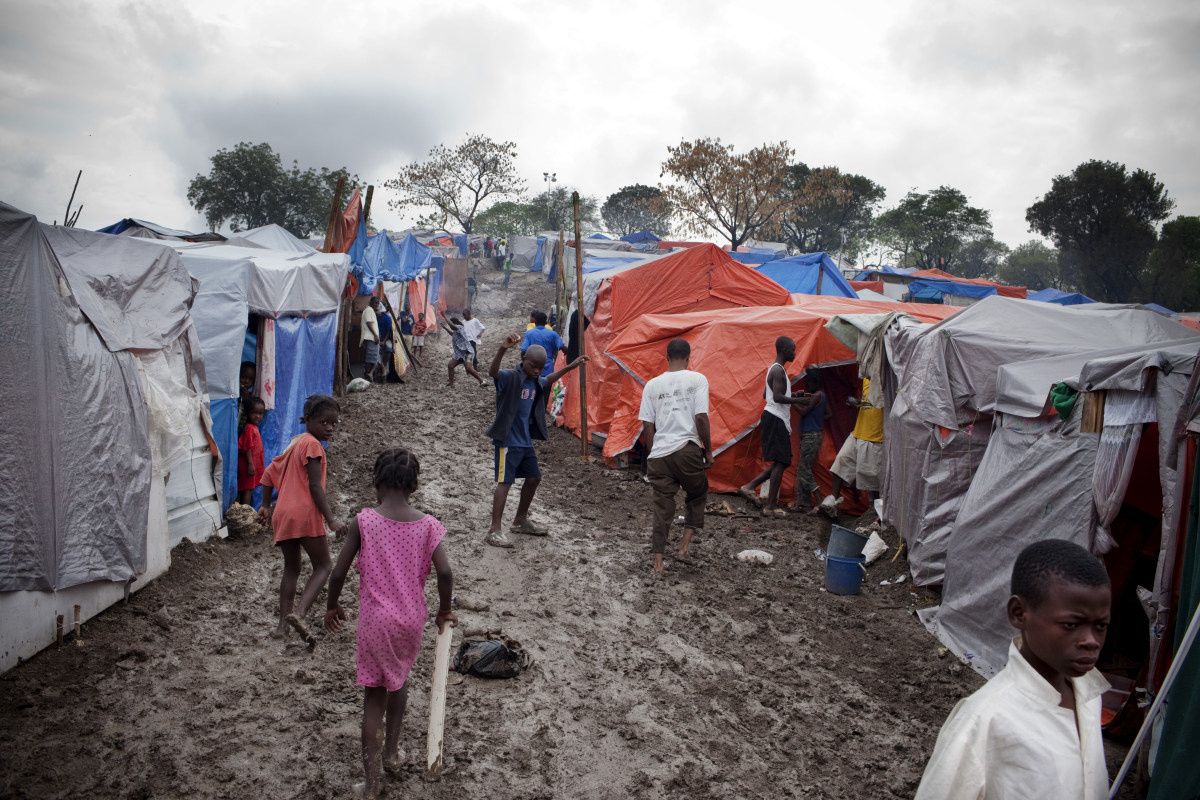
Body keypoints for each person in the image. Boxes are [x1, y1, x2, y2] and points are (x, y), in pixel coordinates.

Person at [915, 539, 1111, 800]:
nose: (1091, 641)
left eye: (1101, 626)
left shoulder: (1089, 695)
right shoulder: (985, 720)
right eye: (1071, 625)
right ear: (1019, 613)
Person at [325, 448, 456, 800]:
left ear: (377, 482)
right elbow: (445, 572)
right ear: (413, 485)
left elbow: (337, 574)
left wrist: (332, 606)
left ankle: (370, 786)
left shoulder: (363, 521)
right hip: (411, 621)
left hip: (375, 621)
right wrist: (444, 611)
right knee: (399, 680)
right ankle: (393, 753)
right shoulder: (428, 525)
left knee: (373, 697)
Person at [484, 333, 587, 548]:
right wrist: (502, 349)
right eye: (533, 366)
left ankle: (520, 521)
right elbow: (493, 372)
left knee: (534, 478)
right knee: (505, 482)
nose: (537, 370)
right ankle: (494, 530)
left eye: (540, 367)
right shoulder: (511, 377)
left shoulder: (535, 381)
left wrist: (572, 366)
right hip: (507, 441)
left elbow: (548, 379)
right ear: (523, 359)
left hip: (525, 442)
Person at [258, 395, 341, 646]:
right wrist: (331, 520)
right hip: (305, 513)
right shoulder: (313, 446)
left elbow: (268, 473)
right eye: (324, 422)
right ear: (309, 420)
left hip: (282, 513)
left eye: (334, 423)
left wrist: (264, 505)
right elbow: (315, 486)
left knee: (291, 569)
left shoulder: (293, 444)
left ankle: (283, 626)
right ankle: (300, 613)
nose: (329, 427)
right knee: (324, 565)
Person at [638, 338, 712, 575]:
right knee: (697, 493)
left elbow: (648, 426)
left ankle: (658, 563)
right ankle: (683, 547)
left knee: (662, 507)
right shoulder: (698, 379)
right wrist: (707, 450)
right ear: (689, 358)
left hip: (660, 454)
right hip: (687, 449)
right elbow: (701, 418)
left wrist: (651, 456)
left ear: (666, 357)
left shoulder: (651, 385)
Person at [737, 336, 814, 516]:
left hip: (774, 417)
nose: (795, 353)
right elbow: (777, 397)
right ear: (784, 350)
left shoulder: (775, 370)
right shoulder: (778, 371)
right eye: (793, 349)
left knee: (782, 461)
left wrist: (792, 393)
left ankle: (750, 486)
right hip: (776, 417)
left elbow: (767, 394)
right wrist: (798, 399)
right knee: (782, 461)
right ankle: (770, 506)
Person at [819, 377, 883, 518]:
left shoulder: (887, 379)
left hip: (875, 435)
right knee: (841, 462)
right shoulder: (866, 378)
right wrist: (856, 403)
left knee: (873, 478)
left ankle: (876, 513)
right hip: (859, 432)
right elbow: (867, 401)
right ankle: (832, 501)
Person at [791, 371, 828, 513]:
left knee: (803, 468)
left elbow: (804, 412)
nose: (806, 386)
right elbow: (828, 413)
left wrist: (793, 401)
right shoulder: (822, 396)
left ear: (814, 382)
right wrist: (817, 417)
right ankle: (803, 503)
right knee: (804, 467)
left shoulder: (817, 395)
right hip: (815, 433)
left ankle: (819, 500)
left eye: (808, 383)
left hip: (810, 435)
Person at [237, 397, 266, 506]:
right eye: (254, 413)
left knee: (249, 487)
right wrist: (250, 464)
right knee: (247, 488)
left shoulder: (254, 427)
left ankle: (245, 509)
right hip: (248, 465)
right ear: (248, 413)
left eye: (260, 413)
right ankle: (246, 511)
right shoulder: (249, 428)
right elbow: (247, 447)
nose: (258, 416)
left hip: (251, 464)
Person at [441, 316, 485, 387]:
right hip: (459, 354)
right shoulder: (456, 330)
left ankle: (482, 381)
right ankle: (451, 383)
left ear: (454, 323)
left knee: (469, 368)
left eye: (451, 323)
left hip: (467, 352)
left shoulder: (460, 327)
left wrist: (444, 316)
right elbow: (452, 333)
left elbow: (452, 327)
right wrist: (445, 328)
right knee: (450, 365)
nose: (450, 325)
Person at [520, 310, 565, 380]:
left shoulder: (529, 333)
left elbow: (523, 351)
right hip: (548, 369)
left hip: (532, 369)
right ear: (545, 322)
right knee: (546, 387)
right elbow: (562, 347)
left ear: (535, 322)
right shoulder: (553, 334)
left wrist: (524, 364)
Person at [360, 298, 381, 383]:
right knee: (370, 359)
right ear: (371, 302)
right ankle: (367, 377)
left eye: (378, 303)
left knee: (372, 359)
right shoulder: (369, 310)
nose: (377, 304)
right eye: (375, 302)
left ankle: (369, 376)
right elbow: (369, 323)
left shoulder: (371, 310)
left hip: (371, 338)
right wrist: (375, 335)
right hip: (370, 338)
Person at [376, 303, 394, 384]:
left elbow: (389, 331)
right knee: (377, 355)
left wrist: (383, 341)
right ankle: (382, 370)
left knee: (388, 348)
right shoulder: (375, 317)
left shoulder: (387, 318)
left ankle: (384, 367)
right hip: (377, 339)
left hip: (386, 339)